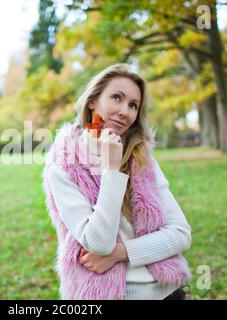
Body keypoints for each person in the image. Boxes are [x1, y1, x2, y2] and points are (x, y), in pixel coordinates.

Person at [42, 63, 192, 300]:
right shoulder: (64, 165)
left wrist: (121, 253)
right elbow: (98, 243)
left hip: (168, 293)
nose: (125, 111)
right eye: (116, 98)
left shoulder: (141, 158)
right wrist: (111, 169)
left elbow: (181, 234)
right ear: (93, 100)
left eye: (133, 105)